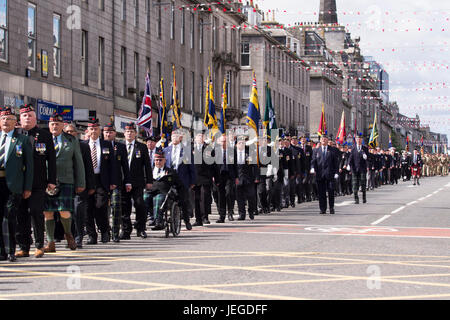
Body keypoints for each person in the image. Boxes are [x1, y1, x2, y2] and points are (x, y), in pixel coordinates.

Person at [15, 105, 56, 259]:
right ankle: (23, 246)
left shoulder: (44, 135)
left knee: (36, 212)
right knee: (20, 215)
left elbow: (51, 160)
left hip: (38, 183)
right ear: (20, 118)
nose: (27, 118)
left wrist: (52, 180)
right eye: (24, 116)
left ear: (35, 118)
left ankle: (39, 245)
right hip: (19, 182)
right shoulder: (15, 134)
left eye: (30, 115)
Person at [43, 113, 85, 253]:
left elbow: (78, 162)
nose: (54, 126)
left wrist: (81, 182)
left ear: (62, 126)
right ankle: (50, 242)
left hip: (65, 179)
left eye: (57, 124)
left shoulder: (71, 140)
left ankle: (69, 235)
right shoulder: (42, 139)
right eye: (52, 124)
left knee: (64, 211)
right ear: (49, 125)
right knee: (47, 212)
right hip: (47, 180)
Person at [0, 108, 33, 262]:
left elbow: (29, 166)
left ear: (15, 123)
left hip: (13, 185)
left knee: (10, 217)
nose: (6, 122)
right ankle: (1, 251)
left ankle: (12, 250)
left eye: (9, 119)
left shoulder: (23, 140)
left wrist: (27, 187)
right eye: (3, 119)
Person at [82, 119, 117, 244]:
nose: (94, 131)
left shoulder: (106, 145)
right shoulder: (83, 145)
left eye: (96, 129)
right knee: (87, 209)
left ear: (100, 130)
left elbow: (113, 165)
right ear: (88, 130)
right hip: (87, 180)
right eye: (91, 129)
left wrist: (113, 181)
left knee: (100, 207)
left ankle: (105, 232)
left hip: (101, 180)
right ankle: (92, 235)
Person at [64, 123, 95, 248]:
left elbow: (89, 167)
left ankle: (79, 238)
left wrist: (91, 185)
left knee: (78, 211)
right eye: (68, 132)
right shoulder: (60, 145)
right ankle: (70, 237)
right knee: (67, 213)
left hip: (80, 185)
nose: (70, 134)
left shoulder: (83, 146)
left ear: (76, 133)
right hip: (65, 184)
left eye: (72, 132)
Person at [121, 123, 152, 239]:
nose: (129, 134)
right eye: (127, 132)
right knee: (125, 207)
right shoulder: (119, 146)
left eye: (132, 132)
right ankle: (126, 230)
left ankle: (141, 228)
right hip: (123, 181)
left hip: (137, 181)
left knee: (140, 204)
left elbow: (147, 165)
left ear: (136, 134)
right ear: (124, 133)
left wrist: (149, 180)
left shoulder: (142, 147)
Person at [103, 123, 131, 242]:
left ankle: (115, 233)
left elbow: (125, 166)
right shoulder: (99, 145)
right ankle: (104, 232)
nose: (108, 134)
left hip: (117, 182)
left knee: (116, 208)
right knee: (102, 209)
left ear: (115, 133)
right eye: (106, 132)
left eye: (111, 132)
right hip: (102, 182)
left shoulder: (120, 146)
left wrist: (128, 182)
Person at [163, 130, 195, 230]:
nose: (174, 138)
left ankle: (186, 220)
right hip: (169, 178)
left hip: (182, 179)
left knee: (183, 201)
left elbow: (191, 167)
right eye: (172, 137)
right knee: (165, 198)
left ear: (180, 138)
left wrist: (192, 181)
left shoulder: (186, 150)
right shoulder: (166, 150)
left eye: (176, 136)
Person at [150, 151, 185, 230]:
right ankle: (145, 220)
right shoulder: (149, 171)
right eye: (156, 160)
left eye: (160, 160)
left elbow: (179, 184)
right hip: (151, 191)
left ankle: (158, 221)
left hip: (164, 193)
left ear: (165, 160)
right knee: (144, 199)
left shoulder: (170, 172)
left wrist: (180, 197)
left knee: (158, 199)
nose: (158, 162)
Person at [310, 135, 339, 214]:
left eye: (325, 139)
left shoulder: (332, 150)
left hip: (330, 174)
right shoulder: (316, 150)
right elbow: (313, 161)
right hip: (320, 174)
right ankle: (322, 208)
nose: (323, 140)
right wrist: (312, 168)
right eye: (322, 139)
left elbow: (336, 162)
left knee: (331, 191)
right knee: (321, 193)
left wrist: (336, 172)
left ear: (327, 140)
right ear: (320, 141)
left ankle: (331, 207)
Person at [235, 136, 260, 220]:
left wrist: (256, 177)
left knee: (251, 196)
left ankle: (251, 211)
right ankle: (242, 214)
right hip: (238, 178)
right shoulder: (233, 153)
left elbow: (255, 166)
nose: (241, 144)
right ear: (236, 145)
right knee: (239, 198)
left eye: (243, 143)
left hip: (249, 178)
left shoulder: (249, 152)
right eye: (239, 143)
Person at [213, 134, 237, 223]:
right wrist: (213, 175)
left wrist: (236, 177)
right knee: (220, 195)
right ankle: (222, 216)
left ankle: (230, 213)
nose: (223, 143)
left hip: (229, 175)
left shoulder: (232, 151)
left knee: (229, 193)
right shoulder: (216, 151)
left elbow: (235, 164)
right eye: (222, 141)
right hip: (219, 175)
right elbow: (213, 165)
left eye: (225, 141)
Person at [192, 133, 214, 226]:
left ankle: (205, 217)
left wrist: (214, 176)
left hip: (205, 177)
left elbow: (213, 164)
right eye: (198, 137)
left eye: (201, 137)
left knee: (204, 197)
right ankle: (198, 219)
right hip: (195, 177)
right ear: (195, 139)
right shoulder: (191, 149)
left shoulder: (209, 149)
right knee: (196, 198)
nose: (200, 138)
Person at [347, 134, 369, 204]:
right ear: (355, 140)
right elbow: (350, 157)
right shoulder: (353, 148)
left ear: (361, 140)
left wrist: (366, 157)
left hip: (362, 169)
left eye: (360, 139)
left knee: (363, 183)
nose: (358, 140)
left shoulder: (365, 148)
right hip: (354, 169)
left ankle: (364, 197)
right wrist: (348, 164)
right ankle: (356, 198)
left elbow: (368, 158)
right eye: (357, 139)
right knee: (355, 184)